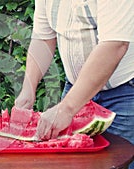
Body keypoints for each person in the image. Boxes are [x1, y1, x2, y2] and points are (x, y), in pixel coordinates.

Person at [15, 0, 134, 148]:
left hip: (123, 94)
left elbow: (114, 45)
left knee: (118, 161)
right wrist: (28, 88)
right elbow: (43, 38)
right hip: (74, 90)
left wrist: (66, 108)